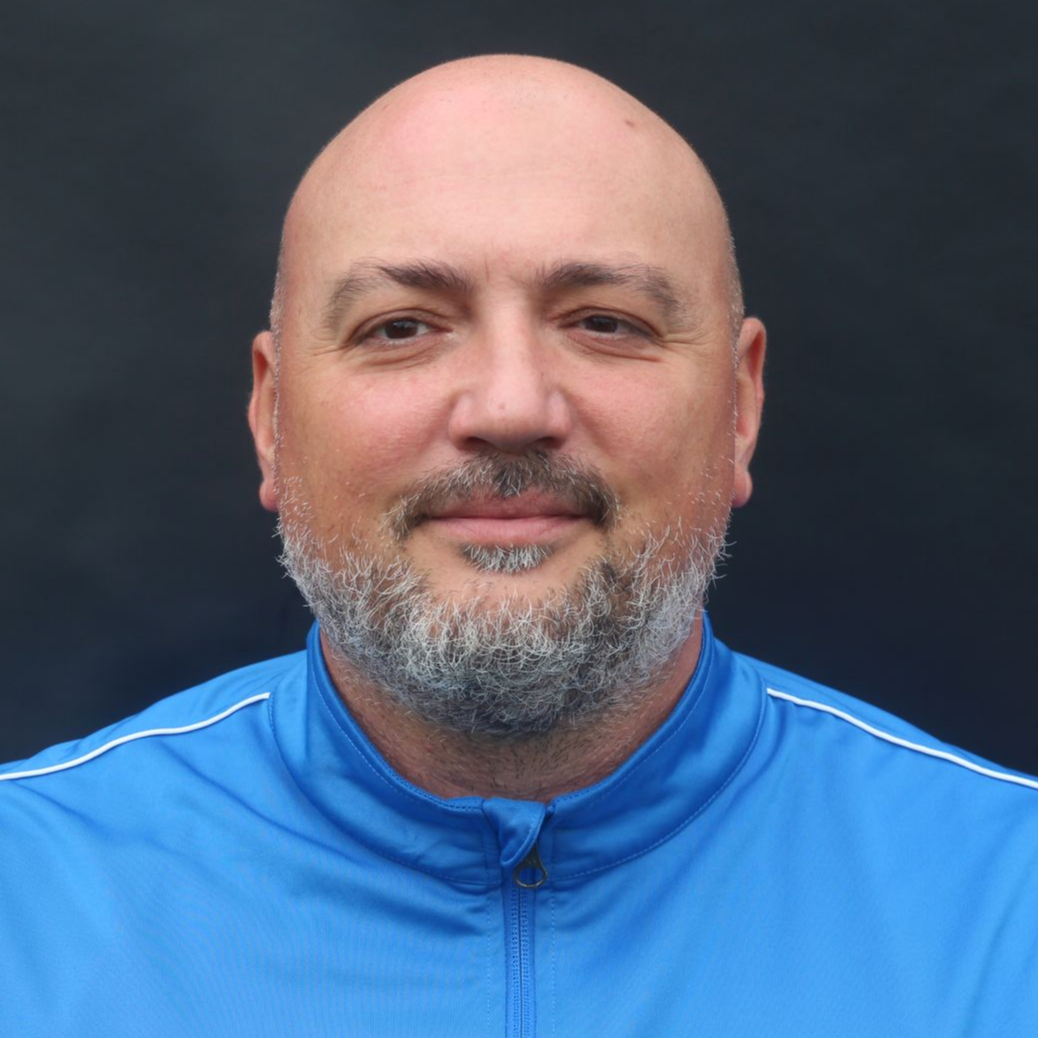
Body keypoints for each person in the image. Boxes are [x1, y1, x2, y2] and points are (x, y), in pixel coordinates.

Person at [1, 55, 1035, 1037]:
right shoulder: (30, 897)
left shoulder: (1004, 904)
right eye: (402, 327)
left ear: (741, 405)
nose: (509, 407)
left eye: (605, 322)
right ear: (273, 418)